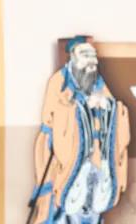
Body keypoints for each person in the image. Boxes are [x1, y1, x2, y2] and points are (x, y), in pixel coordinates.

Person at [29, 37, 130, 224]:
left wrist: (105, 106)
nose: (91, 61)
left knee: (92, 206)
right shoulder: (59, 81)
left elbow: (112, 110)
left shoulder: (98, 82)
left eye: (93, 56)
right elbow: (53, 118)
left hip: (92, 158)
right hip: (62, 156)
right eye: (85, 55)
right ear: (73, 59)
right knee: (59, 207)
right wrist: (81, 106)